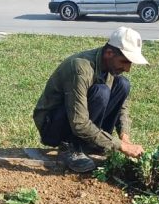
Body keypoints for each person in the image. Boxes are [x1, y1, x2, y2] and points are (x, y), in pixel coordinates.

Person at [33, 27, 147, 173]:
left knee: (123, 84)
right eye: (124, 62)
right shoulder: (80, 68)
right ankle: (71, 147)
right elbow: (79, 123)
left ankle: (94, 143)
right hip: (52, 126)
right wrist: (120, 146)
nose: (128, 68)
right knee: (101, 92)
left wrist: (124, 136)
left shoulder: (110, 66)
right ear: (109, 53)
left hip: (77, 120)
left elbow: (122, 108)